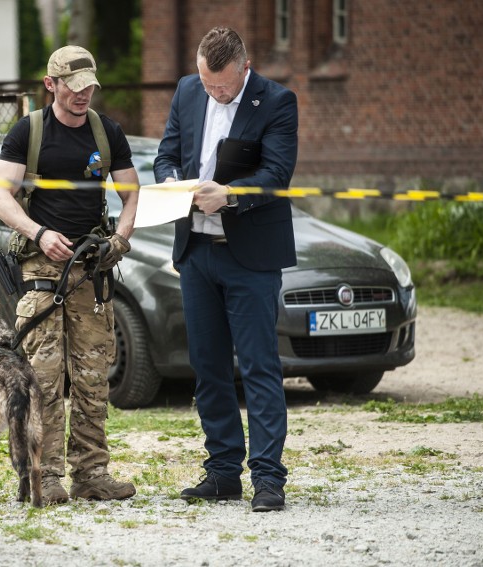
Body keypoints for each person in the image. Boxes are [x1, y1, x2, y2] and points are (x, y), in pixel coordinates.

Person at [153, 27, 298, 512]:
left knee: (259, 366)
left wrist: (230, 195)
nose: (214, 92)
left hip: (250, 256)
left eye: (223, 86)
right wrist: (174, 183)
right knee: (208, 367)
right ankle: (222, 472)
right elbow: (166, 155)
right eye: (207, 83)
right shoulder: (187, 89)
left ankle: (268, 479)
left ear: (245, 65)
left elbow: (276, 175)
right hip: (196, 251)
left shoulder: (277, 102)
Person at [0, 45, 140, 504]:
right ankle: (44, 475)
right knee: (43, 378)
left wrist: (121, 238)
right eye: (74, 88)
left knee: (94, 376)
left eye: (89, 87)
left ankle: (92, 474)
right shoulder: (29, 132)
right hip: (43, 270)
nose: (83, 96)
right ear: (51, 85)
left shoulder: (106, 131)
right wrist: (39, 234)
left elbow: (132, 193)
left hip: (91, 270)